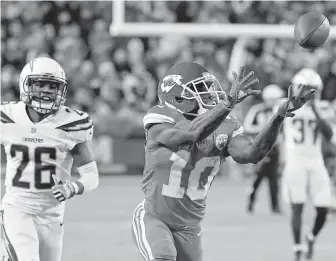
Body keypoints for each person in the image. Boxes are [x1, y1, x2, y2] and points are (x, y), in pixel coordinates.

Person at [131, 62, 315, 261]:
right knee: (163, 256)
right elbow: (189, 135)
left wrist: (278, 117)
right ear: (177, 97)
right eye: (199, 88)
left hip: (190, 227)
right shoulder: (162, 116)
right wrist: (227, 103)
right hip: (155, 217)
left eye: (207, 86)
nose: (208, 92)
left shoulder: (227, 125)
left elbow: (253, 153)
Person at [0, 57, 99, 261]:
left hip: (53, 216)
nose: (46, 90)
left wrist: (72, 187)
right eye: (40, 84)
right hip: (17, 209)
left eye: (52, 86)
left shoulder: (71, 123)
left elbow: (92, 176)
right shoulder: (8, 116)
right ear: (26, 84)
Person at [279, 68, 335, 261]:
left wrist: (315, 110)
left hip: (315, 160)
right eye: (305, 88)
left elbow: (330, 135)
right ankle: (298, 249)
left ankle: (311, 237)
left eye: (312, 89)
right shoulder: (287, 105)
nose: (308, 92)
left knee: (323, 208)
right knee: (298, 206)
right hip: (295, 160)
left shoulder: (324, 108)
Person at [244, 84, 284, 214]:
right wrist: (263, 128)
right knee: (256, 179)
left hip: (275, 150)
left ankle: (275, 206)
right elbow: (247, 127)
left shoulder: (279, 112)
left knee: (274, 181)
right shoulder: (257, 110)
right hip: (259, 149)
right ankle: (250, 202)